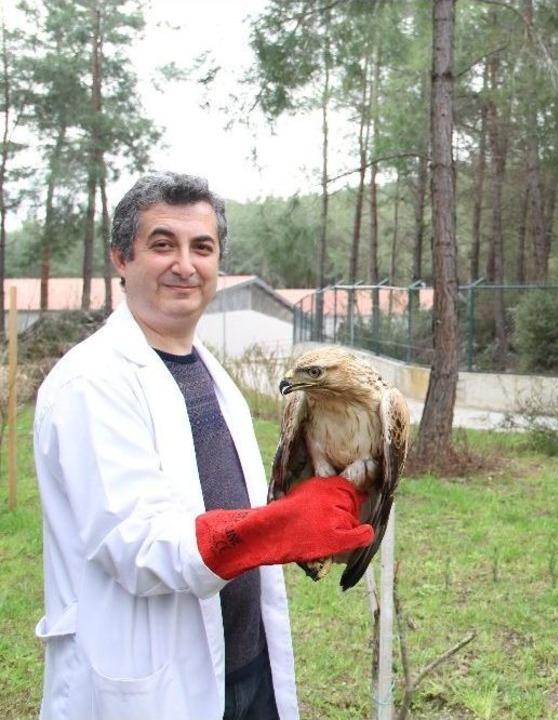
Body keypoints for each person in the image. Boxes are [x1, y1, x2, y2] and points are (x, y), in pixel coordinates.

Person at [33, 172, 375, 720]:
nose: (185, 265)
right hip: (153, 684)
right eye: (162, 244)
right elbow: (136, 544)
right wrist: (278, 527)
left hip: (245, 661)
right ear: (122, 258)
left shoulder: (210, 372)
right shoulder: (90, 383)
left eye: (202, 247)